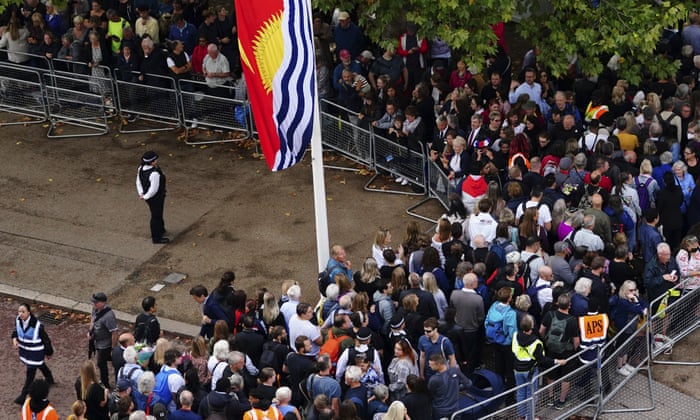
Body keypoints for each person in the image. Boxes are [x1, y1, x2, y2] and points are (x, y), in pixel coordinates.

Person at [512, 314, 564, 420]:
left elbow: (514, 351)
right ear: (532, 326)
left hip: (517, 370)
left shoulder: (515, 336)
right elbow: (542, 360)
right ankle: (530, 417)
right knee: (531, 395)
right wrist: (557, 361)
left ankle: (521, 416)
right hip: (530, 371)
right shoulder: (536, 342)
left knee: (521, 393)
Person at [538, 294, 579, 409]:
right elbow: (576, 341)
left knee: (550, 373)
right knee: (566, 376)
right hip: (566, 352)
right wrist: (575, 351)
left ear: (557, 304)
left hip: (551, 349)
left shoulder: (550, 314)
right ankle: (561, 401)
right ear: (569, 305)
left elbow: (541, 330)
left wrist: (546, 341)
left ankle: (550, 398)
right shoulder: (572, 320)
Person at [12, 302, 55, 405]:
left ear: (28, 312)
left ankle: (23, 396)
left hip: (35, 353)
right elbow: (16, 331)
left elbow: (46, 340)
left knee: (30, 375)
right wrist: (14, 339)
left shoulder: (37, 325)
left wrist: (49, 352)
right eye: (19, 311)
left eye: (23, 311)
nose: (20, 314)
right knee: (39, 364)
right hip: (26, 351)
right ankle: (49, 377)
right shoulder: (18, 321)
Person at [136, 150, 169, 244]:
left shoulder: (141, 168)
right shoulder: (154, 174)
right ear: (152, 161)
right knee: (156, 216)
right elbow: (154, 189)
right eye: (155, 160)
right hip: (156, 197)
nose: (157, 161)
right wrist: (146, 196)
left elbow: (138, 181)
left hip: (148, 196)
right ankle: (156, 237)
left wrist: (141, 193)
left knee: (158, 213)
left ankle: (161, 229)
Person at [426, 353, 471, 420]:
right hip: (455, 409)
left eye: (431, 364)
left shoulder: (434, 379)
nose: (429, 366)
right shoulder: (455, 371)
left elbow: (429, 394)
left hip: (440, 412)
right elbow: (468, 384)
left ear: (438, 365)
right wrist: (457, 388)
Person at [90, 292, 119, 388]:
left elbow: (114, 332)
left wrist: (113, 349)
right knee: (103, 361)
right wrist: (90, 332)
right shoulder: (95, 309)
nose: (94, 304)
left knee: (101, 363)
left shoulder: (109, 316)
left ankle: (105, 383)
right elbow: (92, 319)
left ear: (103, 303)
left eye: (96, 302)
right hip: (98, 342)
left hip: (105, 345)